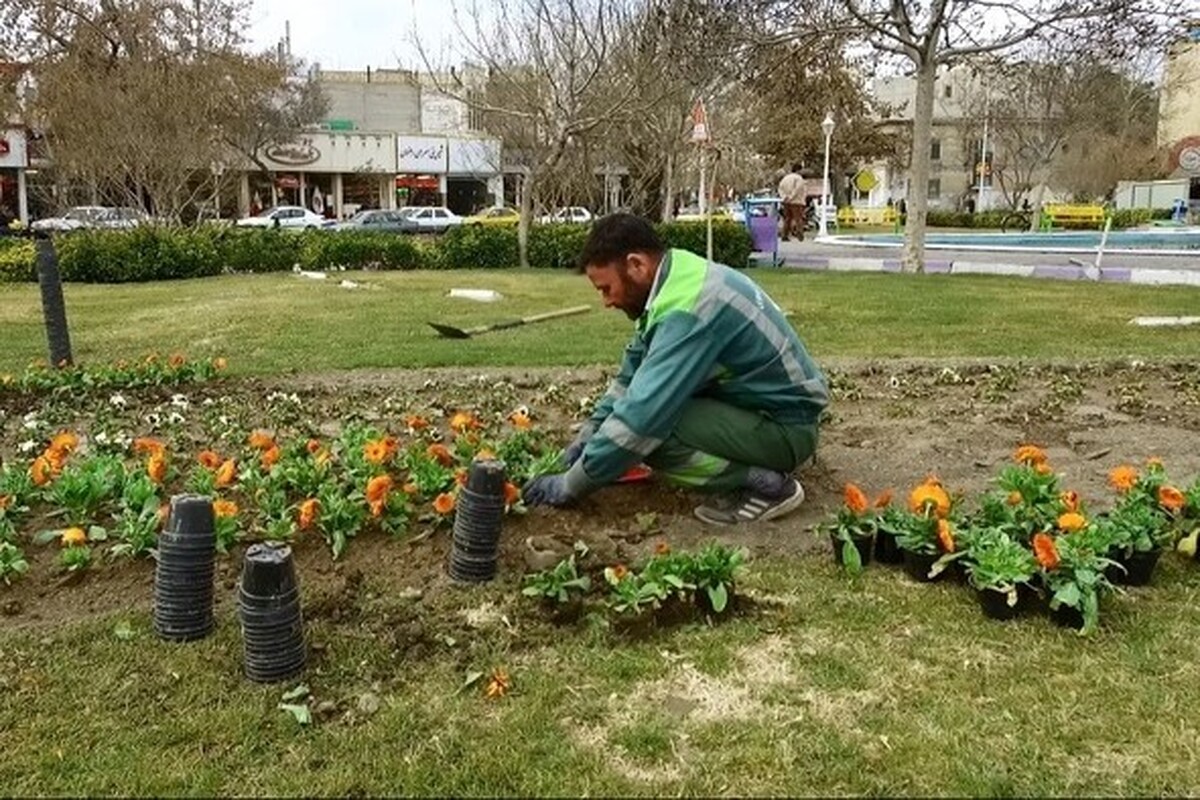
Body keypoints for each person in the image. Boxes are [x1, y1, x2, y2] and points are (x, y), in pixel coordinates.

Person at [522, 213, 829, 525]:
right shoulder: (677, 280)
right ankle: (754, 464)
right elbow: (629, 380)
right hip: (764, 413)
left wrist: (570, 486)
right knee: (638, 424)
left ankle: (765, 485)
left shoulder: (688, 312)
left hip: (787, 429)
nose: (606, 302)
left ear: (637, 265)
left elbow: (640, 420)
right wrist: (583, 442)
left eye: (606, 288)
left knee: (651, 437)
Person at [777, 164, 808, 241]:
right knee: (798, 218)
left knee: (787, 218)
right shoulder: (799, 178)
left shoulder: (785, 178)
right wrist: (791, 197)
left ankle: (784, 235)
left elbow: (780, 188)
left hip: (786, 202)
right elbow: (797, 189)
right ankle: (800, 234)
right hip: (797, 201)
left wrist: (784, 197)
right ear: (799, 170)